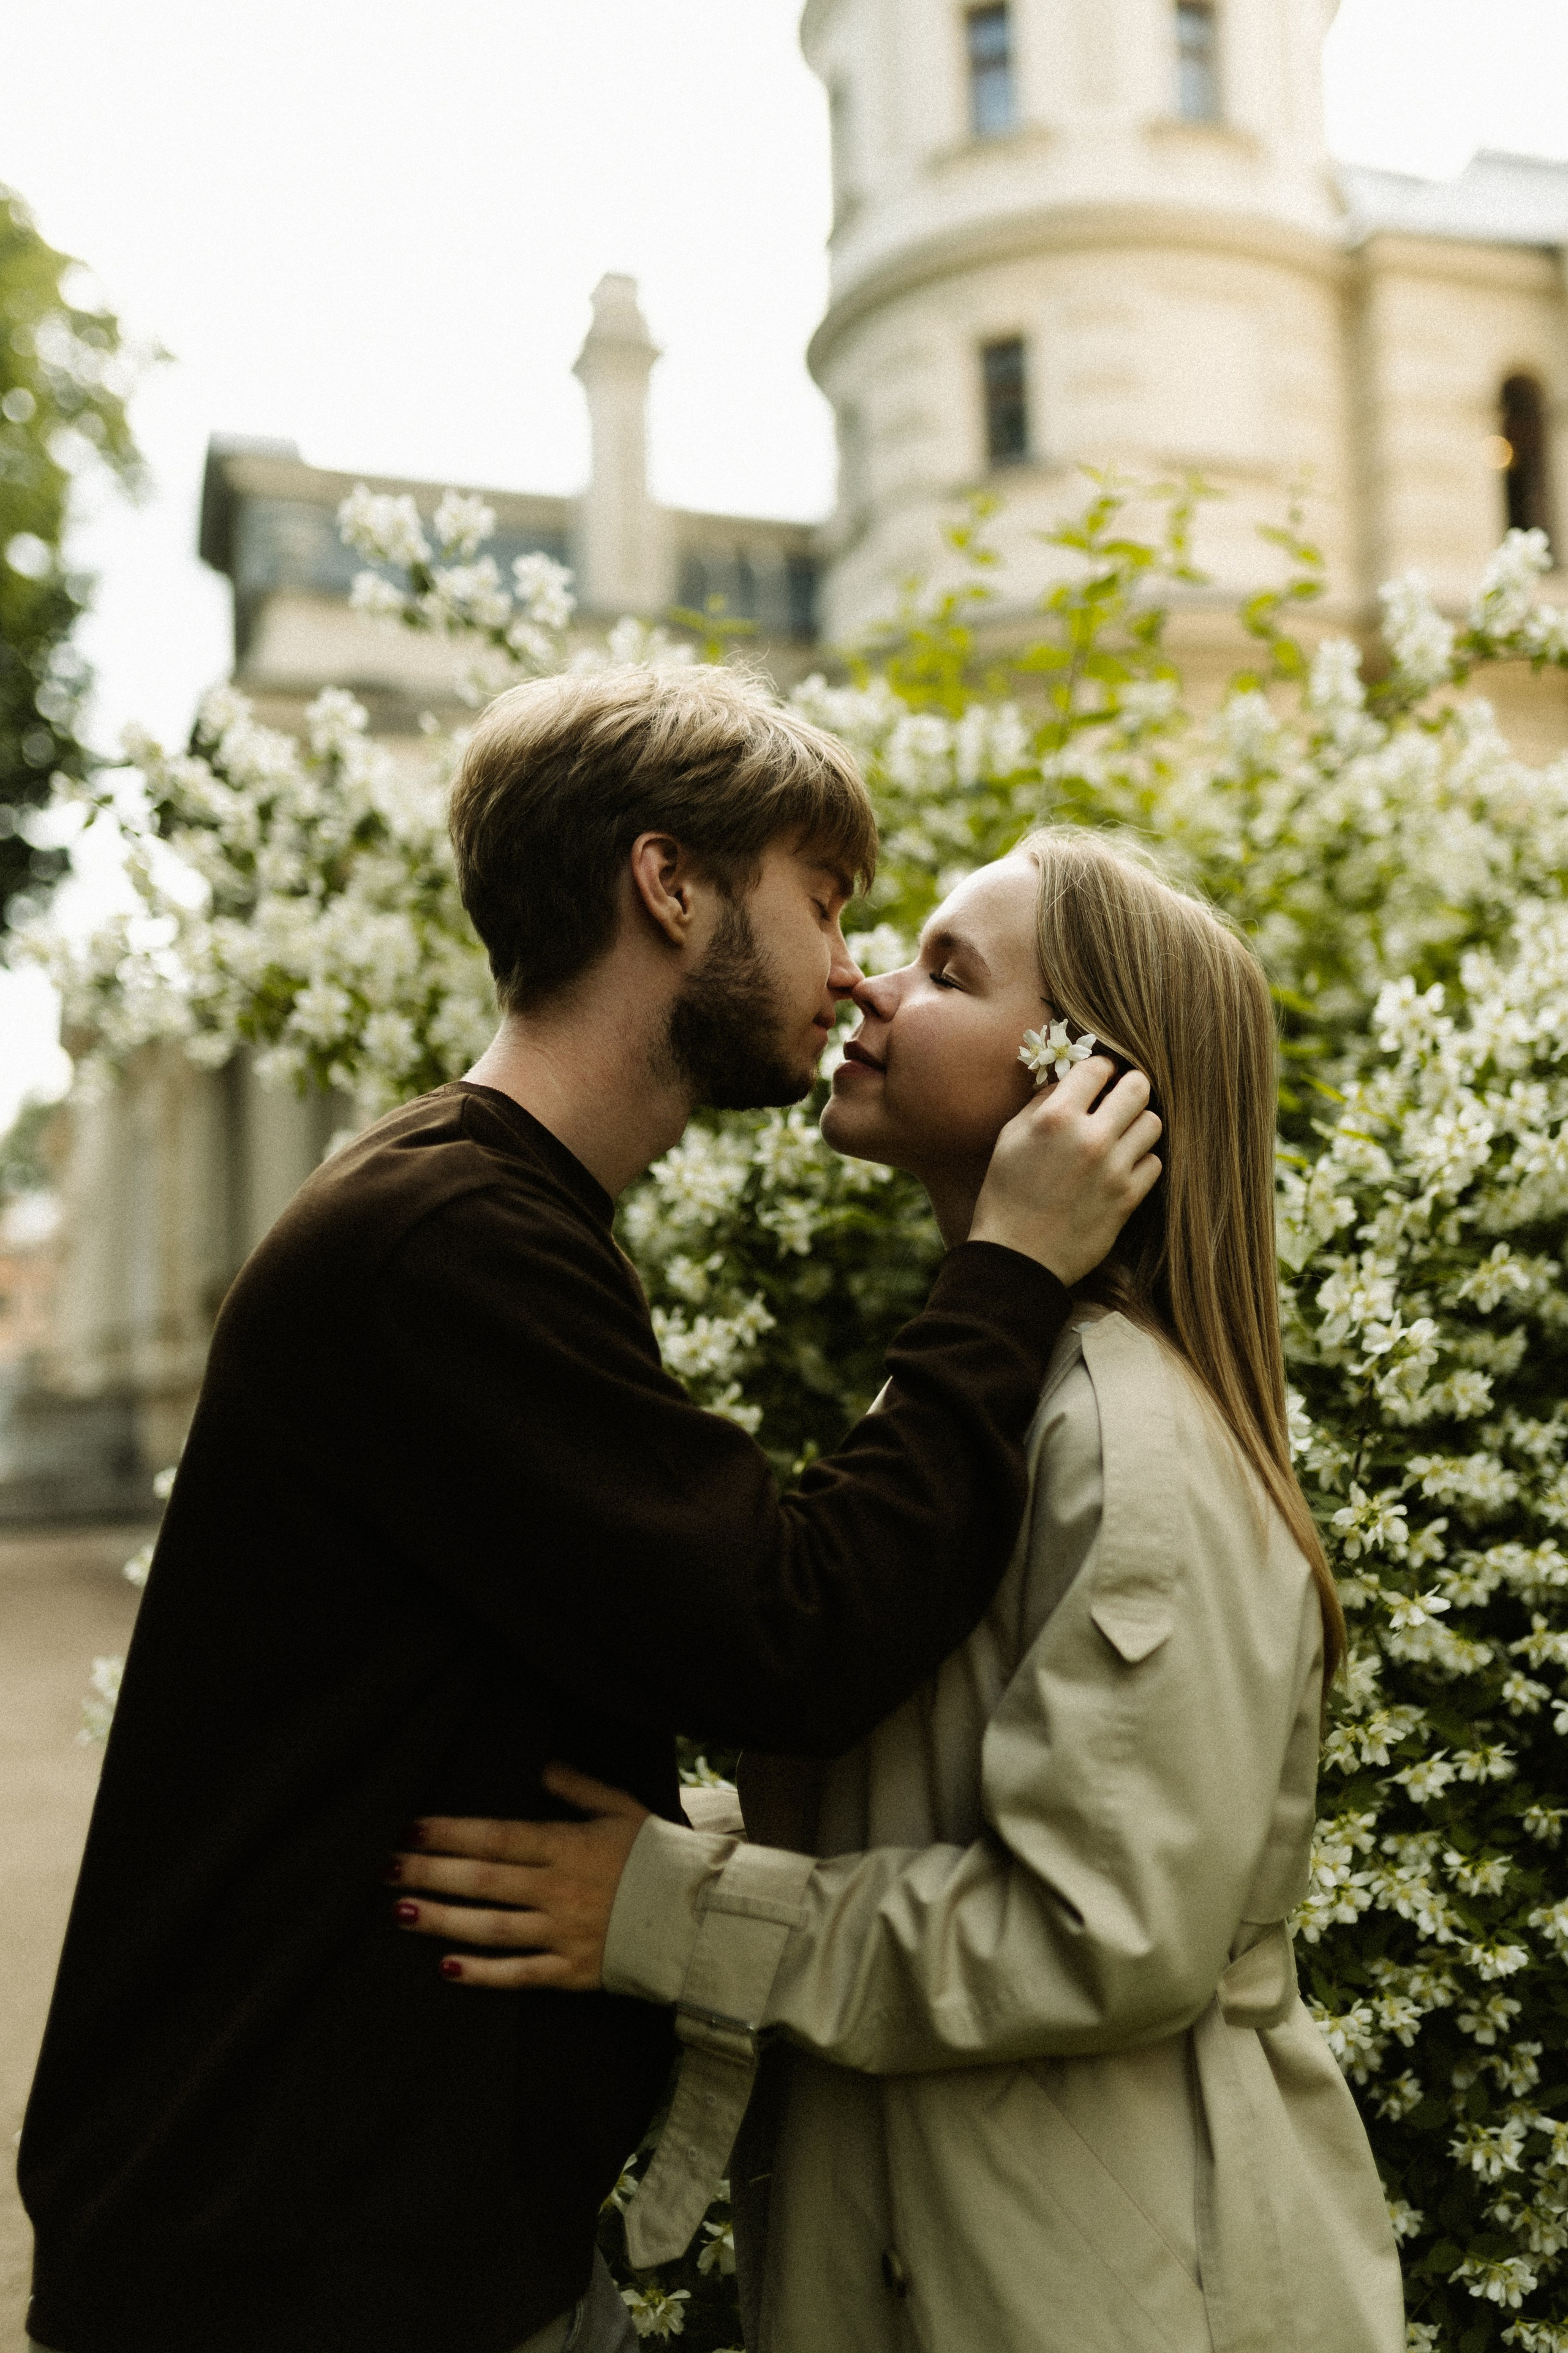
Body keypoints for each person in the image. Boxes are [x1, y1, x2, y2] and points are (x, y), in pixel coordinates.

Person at [18, 673, 1161, 2353]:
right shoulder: (449, 1241)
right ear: (670, 882)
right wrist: (1005, 1272)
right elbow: (794, 1629)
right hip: (303, 2276)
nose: (852, 967)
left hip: (374, 2251)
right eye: (824, 897)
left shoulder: (482, 1217)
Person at [389, 827, 1406, 2353]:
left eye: (946, 971)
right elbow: (922, 1808)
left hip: (1098, 2288)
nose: (863, 983)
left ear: (1079, 1085)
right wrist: (646, 1844)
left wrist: (667, 1908)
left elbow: (1096, 1929)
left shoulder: (1123, 1445)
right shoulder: (998, 1392)